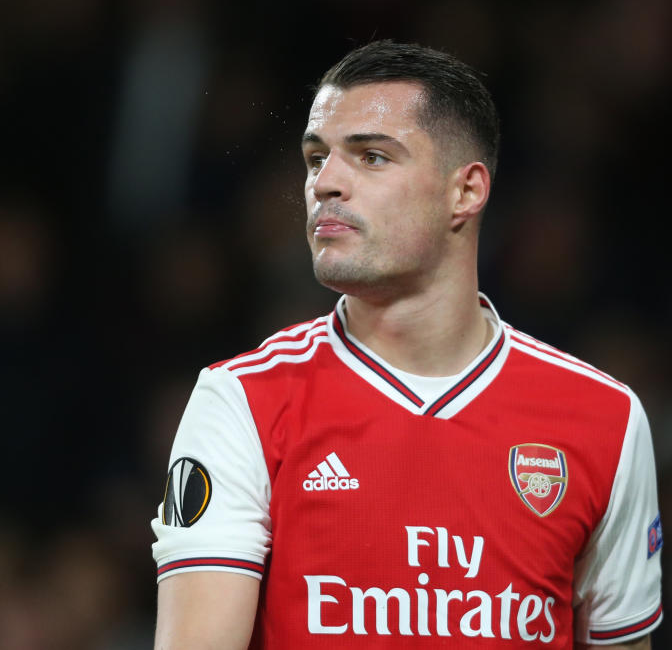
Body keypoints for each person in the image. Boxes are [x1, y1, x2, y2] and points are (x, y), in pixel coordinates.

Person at [150, 40, 662, 649]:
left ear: (466, 192)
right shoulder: (244, 402)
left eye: (370, 157)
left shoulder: (605, 419)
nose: (326, 184)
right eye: (316, 159)